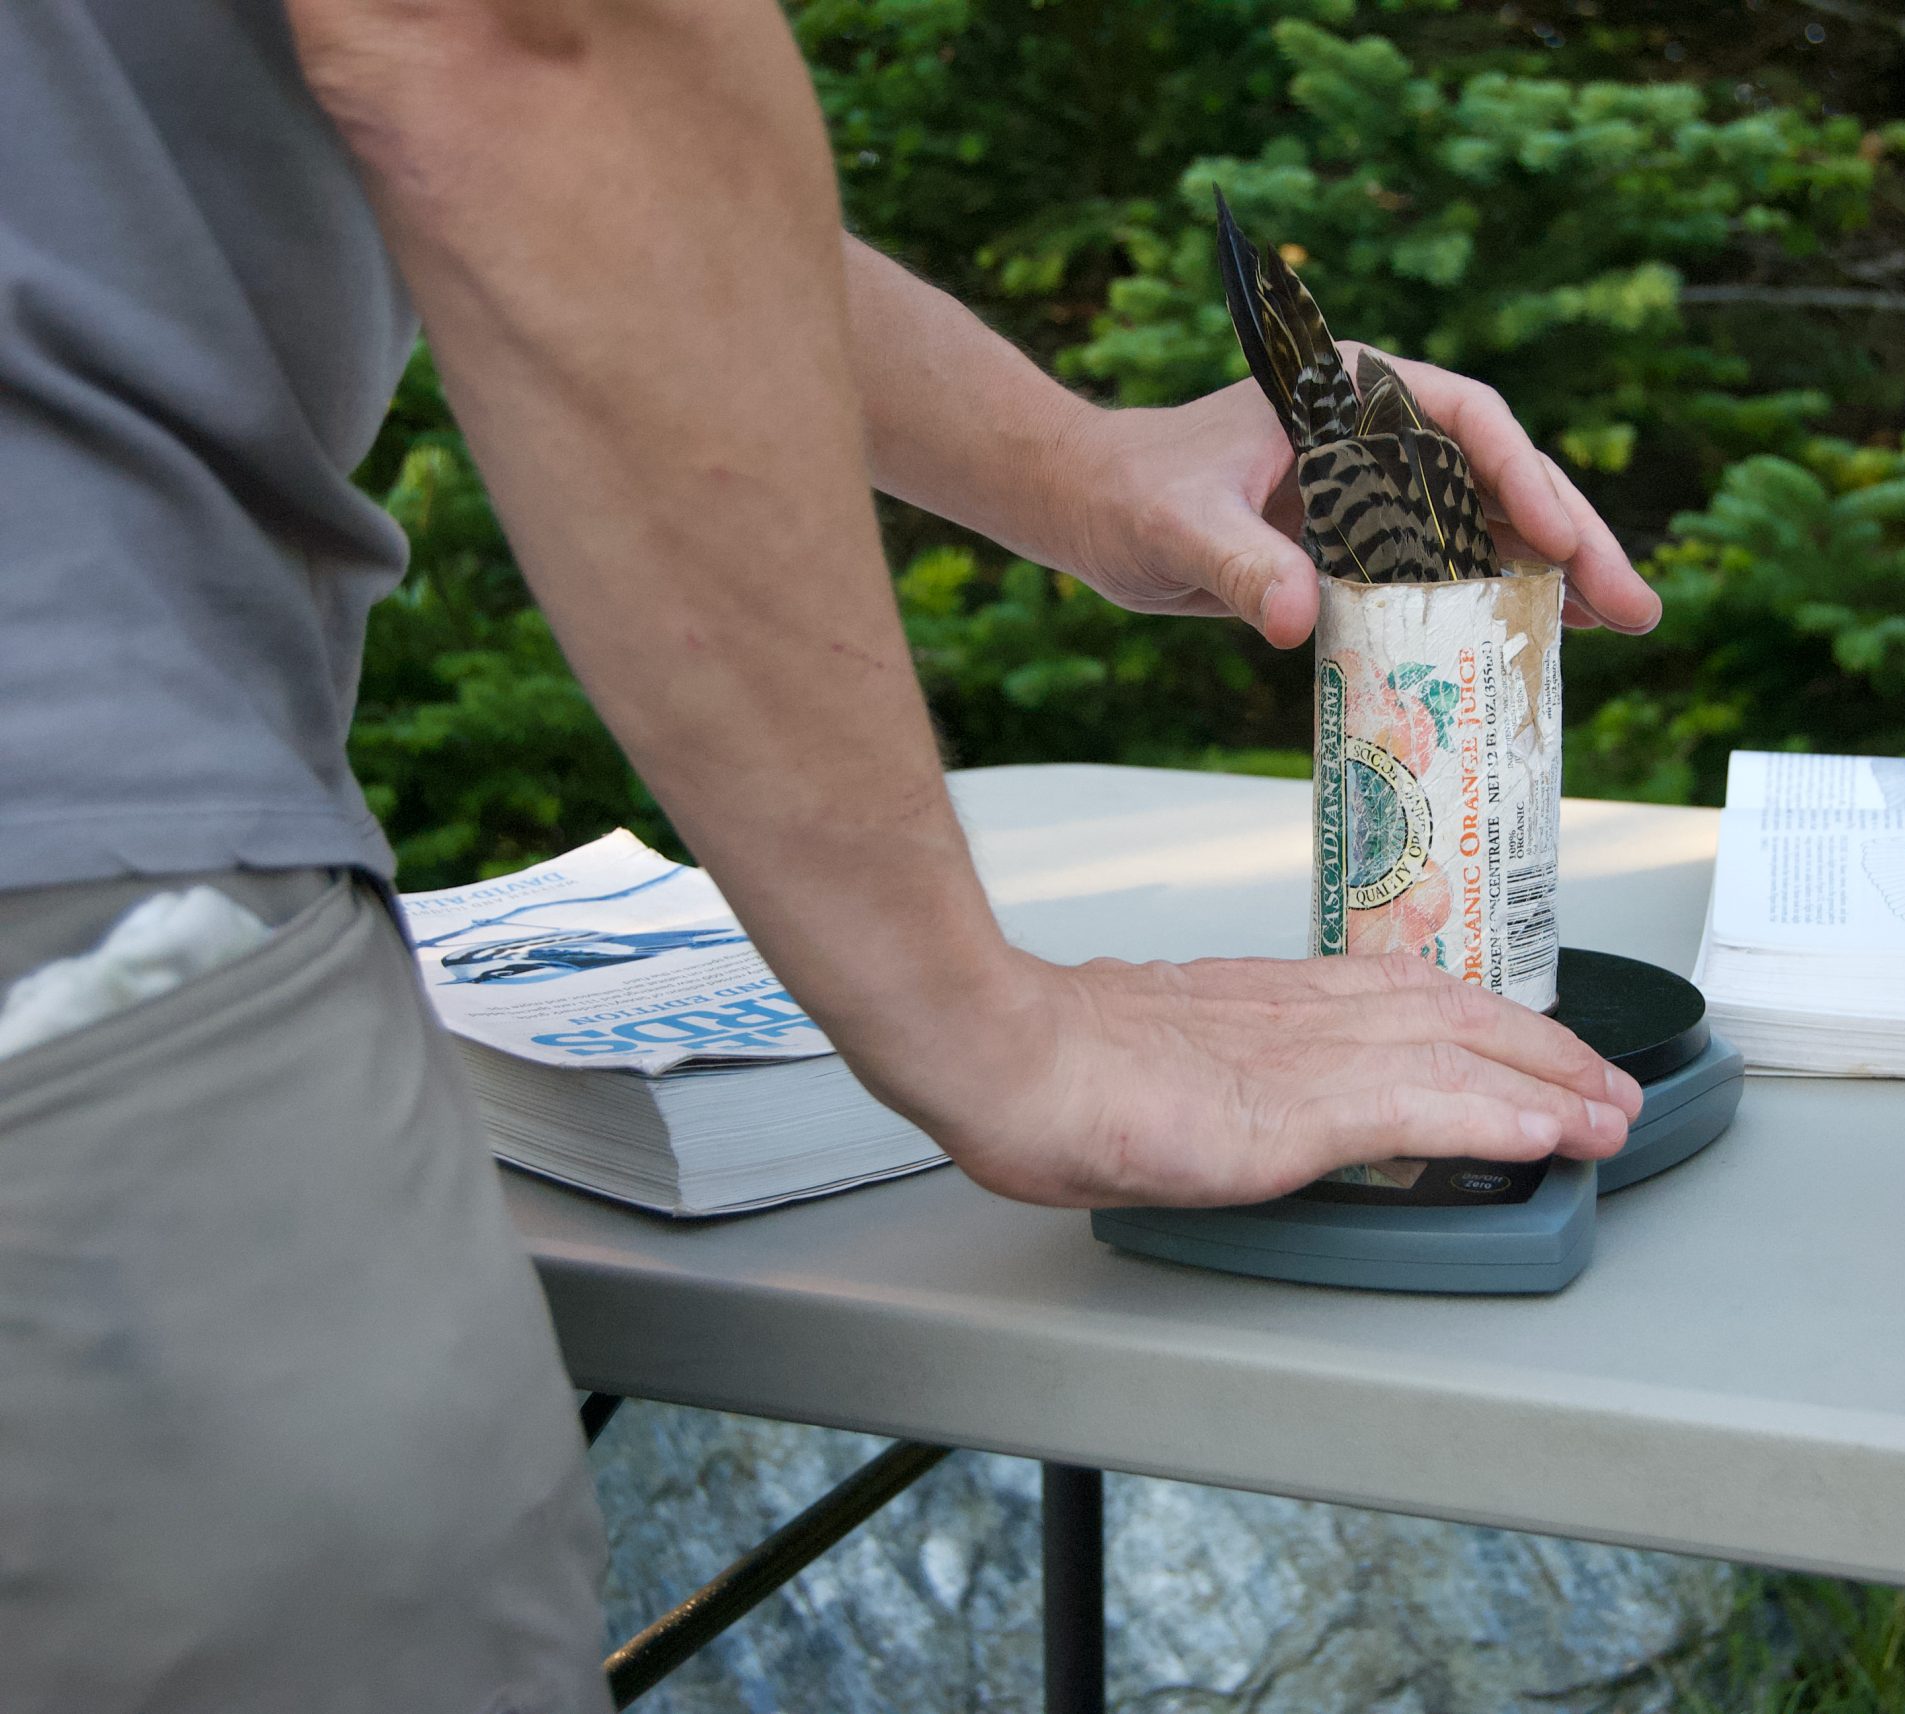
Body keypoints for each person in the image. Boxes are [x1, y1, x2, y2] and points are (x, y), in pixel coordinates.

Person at [0, 1, 1661, 1708]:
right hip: (90, 988)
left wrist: (1066, 460)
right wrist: (993, 1028)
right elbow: (529, 45)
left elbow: (532, 117)